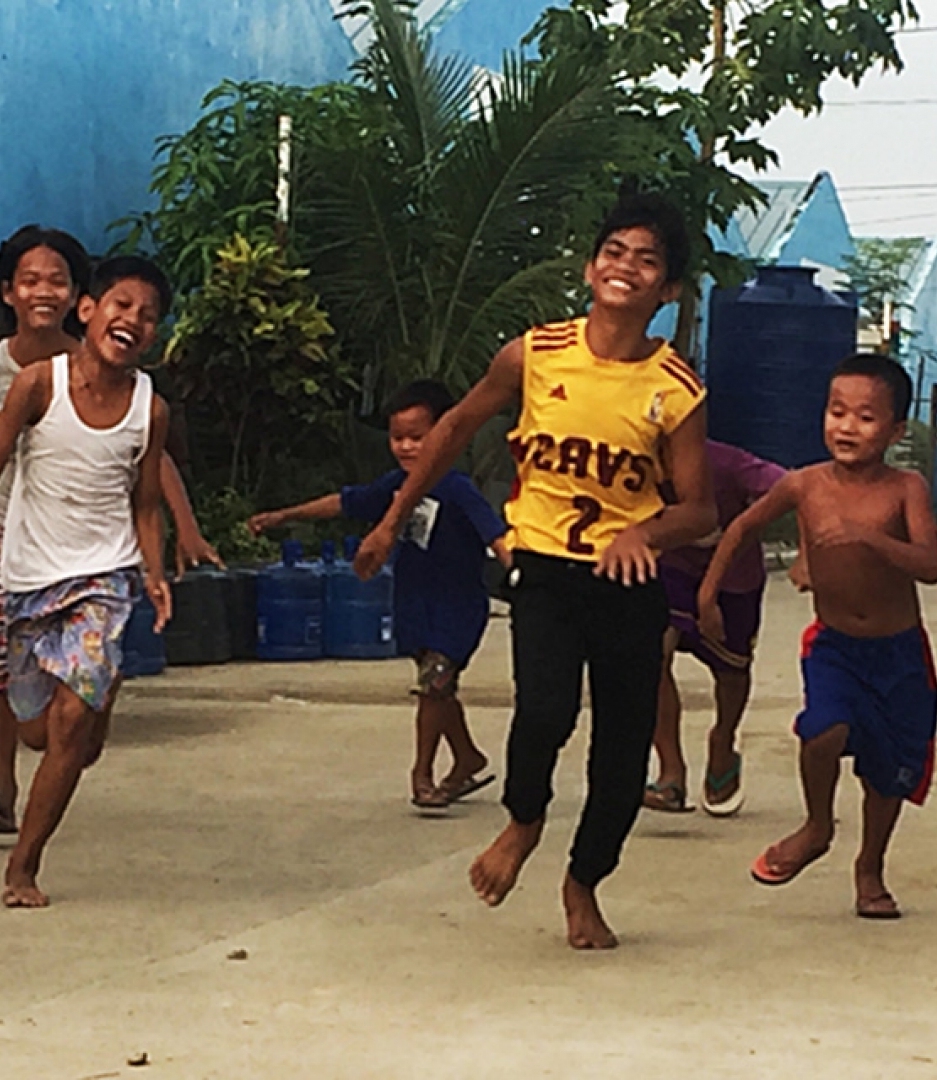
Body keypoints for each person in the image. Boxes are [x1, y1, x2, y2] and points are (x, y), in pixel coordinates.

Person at [352, 193, 714, 949]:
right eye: (614, 252)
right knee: (545, 711)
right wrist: (391, 520)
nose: (626, 268)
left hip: (628, 582)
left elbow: (699, 511)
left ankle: (584, 881)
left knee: (622, 747)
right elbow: (451, 430)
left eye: (647, 260)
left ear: (668, 290)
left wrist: (643, 532)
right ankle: (523, 821)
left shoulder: (674, 388)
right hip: (545, 565)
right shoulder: (535, 352)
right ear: (590, 267)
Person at [0, 226, 218, 837]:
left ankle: (80, 719)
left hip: (89, 549)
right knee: (1, 673)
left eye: (58, 280)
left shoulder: (109, 361)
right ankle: (2, 787)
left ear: (78, 298)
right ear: (8, 291)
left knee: (73, 724)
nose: (44, 291)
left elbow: (148, 460)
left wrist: (182, 531)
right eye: (30, 279)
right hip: (3, 533)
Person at [0, 255, 175, 908]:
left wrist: (154, 571)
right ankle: (91, 708)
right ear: (88, 309)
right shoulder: (37, 385)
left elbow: (144, 502)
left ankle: (23, 865)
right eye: (122, 305)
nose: (132, 320)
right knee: (38, 733)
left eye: (148, 316)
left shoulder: (150, 409)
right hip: (27, 580)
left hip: (104, 580)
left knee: (72, 722)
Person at [699, 354, 937, 920]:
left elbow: (931, 564)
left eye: (864, 417)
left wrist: (867, 537)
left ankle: (870, 870)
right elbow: (742, 526)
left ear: (895, 431)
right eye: (836, 412)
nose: (846, 427)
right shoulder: (804, 484)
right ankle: (816, 825)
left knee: (889, 770)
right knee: (821, 729)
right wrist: (708, 593)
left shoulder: (906, 489)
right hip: (834, 646)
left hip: (899, 653)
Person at [250, 380, 512, 810]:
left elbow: (495, 533)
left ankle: (422, 774)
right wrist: (285, 515)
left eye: (417, 437)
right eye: (397, 438)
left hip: (456, 608)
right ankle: (467, 758)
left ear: (446, 431)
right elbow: (345, 502)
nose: (406, 447)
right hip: (413, 605)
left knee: (434, 683)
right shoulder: (394, 484)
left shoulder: (457, 488)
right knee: (438, 688)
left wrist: (522, 575)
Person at [642, 440, 786, 816]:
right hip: (671, 565)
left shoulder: (730, 464)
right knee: (649, 654)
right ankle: (671, 771)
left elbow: (789, 487)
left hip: (735, 578)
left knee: (732, 669)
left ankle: (723, 740)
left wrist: (753, 526)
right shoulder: (635, 461)